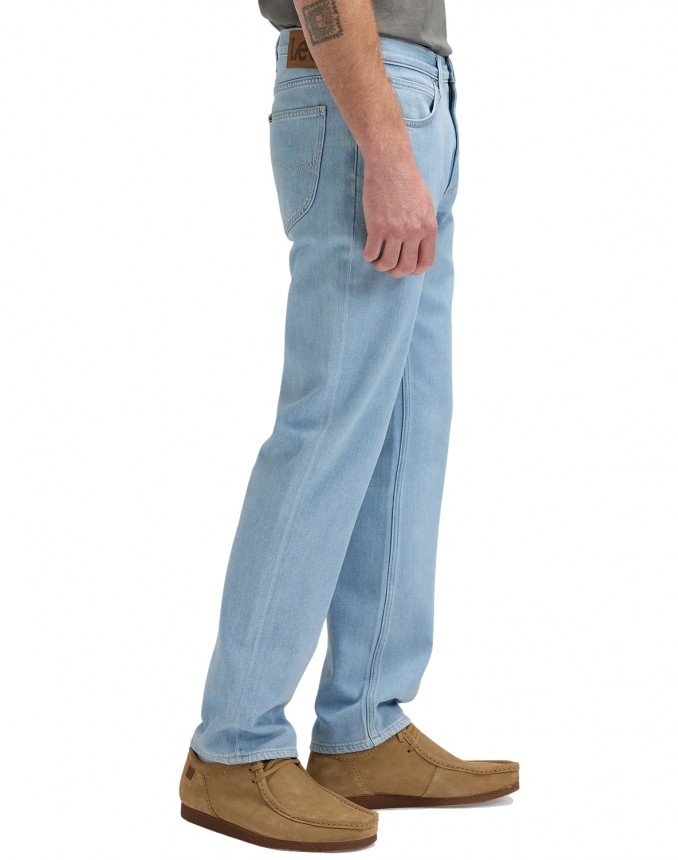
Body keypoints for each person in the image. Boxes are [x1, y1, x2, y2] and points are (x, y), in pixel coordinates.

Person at [178, 0, 518, 851]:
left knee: (408, 425)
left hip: (417, 88)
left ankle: (364, 723)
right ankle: (235, 746)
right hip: (363, 94)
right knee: (327, 432)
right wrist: (385, 146)